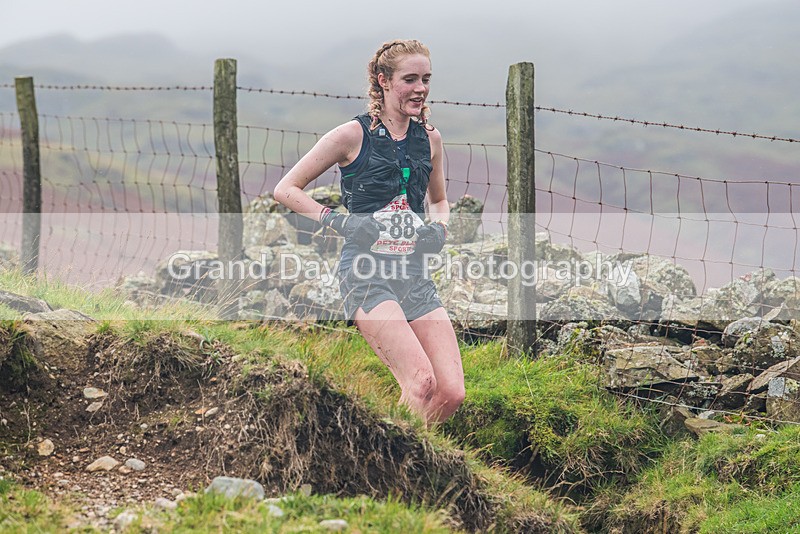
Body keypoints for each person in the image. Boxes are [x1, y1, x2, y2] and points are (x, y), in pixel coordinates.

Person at [273, 39, 465, 424]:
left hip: (413, 275)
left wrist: (439, 230)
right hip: (365, 274)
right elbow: (286, 189)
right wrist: (340, 221)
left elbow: (440, 202)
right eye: (409, 79)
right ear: (383, 81)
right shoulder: (350, 135)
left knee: (450, 392)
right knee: (420, 381)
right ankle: (388, 474)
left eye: (426, 79)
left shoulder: (430, 139)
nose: (421, 88)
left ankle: (413, 470)